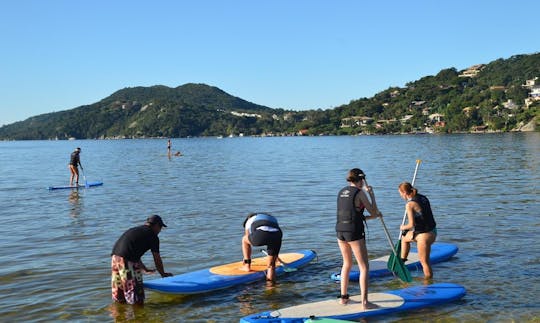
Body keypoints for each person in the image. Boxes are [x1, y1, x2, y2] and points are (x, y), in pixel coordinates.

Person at [336, 168, 382, 308]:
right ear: (361, 180)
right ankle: (365, 302)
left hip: (340, 230)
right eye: (362, 180)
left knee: (347, 264)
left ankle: (343, 298)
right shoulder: (360, 193)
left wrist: (372, 217)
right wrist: (372, 195)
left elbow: (353, 214)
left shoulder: (341, 192)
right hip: (354, 232)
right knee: (364, 266)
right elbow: (373, 211)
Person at [111, 215, 173, 305]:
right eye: (160, 227)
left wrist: (144, 269)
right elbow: (157, 258)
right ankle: (137, 316)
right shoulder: (152, 236)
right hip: (127, 260)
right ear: (155, 225)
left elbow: (133, 251)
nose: (160, 230)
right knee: (136, 295)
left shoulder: (136, 230)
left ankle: (119, 315)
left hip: (115, 257)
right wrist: (162, 273)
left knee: (119, 294)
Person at [398, 182, 437, 279]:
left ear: (404, 193)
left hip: (424, 236)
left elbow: (411, 225)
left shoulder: (409, 205)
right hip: (433, 231)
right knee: (404, 239)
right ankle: (402, 261)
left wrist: (403, 227)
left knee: (424, 262)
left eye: (400, 194)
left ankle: (428, 283)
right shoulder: (423, 197)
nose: (400, 196)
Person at [241, 212, 283, 283]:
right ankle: (271, 287)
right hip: (277, 235)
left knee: (244, 240)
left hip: (262, 234)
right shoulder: (272, 218)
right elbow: (271, 232)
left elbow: (247, 236)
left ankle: (247, 266)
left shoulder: (249, 220)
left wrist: (245, 257)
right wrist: (275, 256)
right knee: (271, 266)